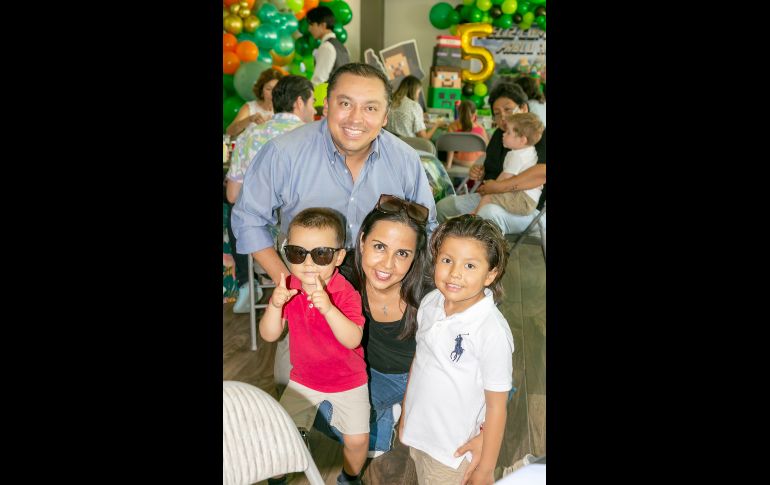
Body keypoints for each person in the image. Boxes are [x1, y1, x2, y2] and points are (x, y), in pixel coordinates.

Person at [231, 62, 438, 290]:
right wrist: (289, 285)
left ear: (385, 116)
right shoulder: (283, 153)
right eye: (345, 103)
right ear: (327, 106)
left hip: (386, 285)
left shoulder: (405, 159)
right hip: (311, 281)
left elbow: (427, 228)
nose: (356, 119)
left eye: (370, 108)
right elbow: (248, 219)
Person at [311, 195, 432, 458]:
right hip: (369, 370)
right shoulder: (344, 276)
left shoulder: (429, 292)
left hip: (422, 375)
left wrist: (413, 403)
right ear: (363, 241)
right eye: (379, 246)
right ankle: (383, 422)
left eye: (402, 253)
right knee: (316, 409)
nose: (387, 264)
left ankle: (388, 418)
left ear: (415, 257)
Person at [400, 215, 513, 485]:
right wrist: (406, 412)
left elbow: (497, 406)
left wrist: (486, 467)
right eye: (447, 260)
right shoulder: (431, 302)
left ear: (491, 274)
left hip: (453, 451)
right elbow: (420, 362)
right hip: (418, 433)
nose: (455, 274)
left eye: (470, 265)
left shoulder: (491, 331)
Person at [260, 207, 369, 485]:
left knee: (357, 441)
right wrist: (275, 305)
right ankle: (278, 475)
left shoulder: (345, 292)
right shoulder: (290, 286)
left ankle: (350, 477)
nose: (308, 263)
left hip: (348, 381)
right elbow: (269, 335)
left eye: (321, 254)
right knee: (279, 434)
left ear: (339, 257)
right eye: (297, 253)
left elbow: (353, 339)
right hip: (304, 379)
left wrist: (330, 310)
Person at [225, 75, 317, 313]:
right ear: (299, 103)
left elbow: (233, 195)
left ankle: (248, 282)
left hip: (264, 245)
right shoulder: (318, 138)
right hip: (311, 240)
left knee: (238, 212)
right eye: (312, 101)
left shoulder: (251, 136)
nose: (314, 108)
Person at [436, 82, 546, 236]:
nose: (503, 117)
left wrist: (499, 187)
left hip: (530, 209)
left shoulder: (539, 136)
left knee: (487, 214)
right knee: (443, 206)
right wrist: (481, 173)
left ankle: (483, 258)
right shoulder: (499, 135)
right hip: (494, 197)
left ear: (524, 108)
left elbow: (542, 173)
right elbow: (492, 169)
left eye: (508, 109)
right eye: (497, 112)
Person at [472, 112, 544, 217]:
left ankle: (474, 217)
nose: (503, 134)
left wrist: (491, 186)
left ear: (522, 140)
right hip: (528, 198)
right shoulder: (528, 150)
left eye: (508, 132)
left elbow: (505, 177)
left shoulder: (517, 156)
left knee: (487, 197)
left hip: (523, 199)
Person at [225, 68, 285, 138]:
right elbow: (230, 131)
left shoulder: (285, 110)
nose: (272, 93)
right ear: (261, 91)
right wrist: (249, 119)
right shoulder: (250, 107)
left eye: (276, 89)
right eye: (268, 89)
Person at [385, 75, 446, 140]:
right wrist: (436, 125)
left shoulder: (389, 100)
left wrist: (421, 117)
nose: (418, 96)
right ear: (414, 91)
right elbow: (424, 138)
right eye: (418, 92)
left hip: (388, 143)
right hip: (408, 146)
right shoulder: (414, 106)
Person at [307, 5, 351, 86]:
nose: (309, 29)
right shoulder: (342, 46)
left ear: (323, 25)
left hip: (328, 96)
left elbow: (319, 80)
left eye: (311, 24)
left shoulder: (327, 46)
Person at [444, 99, 489, 169]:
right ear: (474, 114)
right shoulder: (480, 128)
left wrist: (448, 166)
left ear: (458, 112)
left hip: (459, 161)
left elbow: (450, 149)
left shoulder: (452, 127)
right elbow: (487, 147)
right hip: (477, 163)